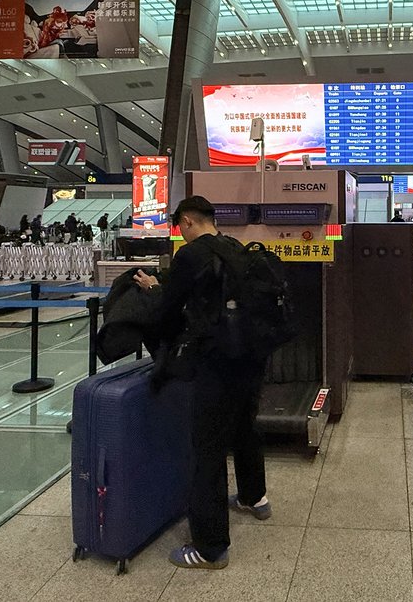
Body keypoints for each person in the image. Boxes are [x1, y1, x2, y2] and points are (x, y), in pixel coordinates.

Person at [132, 196, 269, 570]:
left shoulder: (189, 256)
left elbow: (169, 309)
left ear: (188, 222)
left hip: (216, 360)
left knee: (207, 449)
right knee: (244, 426)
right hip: (250, 355)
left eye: (180, 227)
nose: (181, 233)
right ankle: (254, 497)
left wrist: (153, 291)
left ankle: (210, 547)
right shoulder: (235, 247)